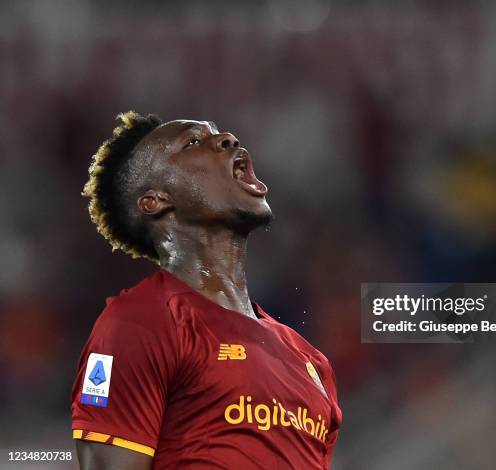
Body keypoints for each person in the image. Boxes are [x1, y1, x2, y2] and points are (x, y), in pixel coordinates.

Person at [71, 111, 342, 469]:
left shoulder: (310, 362)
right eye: (193, 143)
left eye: (219, 133)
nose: (228, 137)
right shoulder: (137, 324)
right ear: (156, 200)